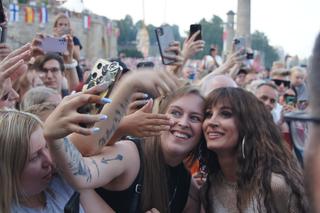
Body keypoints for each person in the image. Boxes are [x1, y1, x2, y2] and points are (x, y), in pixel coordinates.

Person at [43, 68, 204, 212]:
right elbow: (81, 174)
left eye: (195, 118)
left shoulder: (188, 187)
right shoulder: (130, 155)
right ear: (160, 113)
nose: (183, 123)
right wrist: (54, 137)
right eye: (176, 113)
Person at [200, 87, 308, 212]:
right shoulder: (209, 187)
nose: (211, 122)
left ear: (248, 125)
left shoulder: (276, 185)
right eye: (208, 114)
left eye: (226, 114)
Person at [0, 110, 115, 213]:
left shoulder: (63, 181)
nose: (49, 161)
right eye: (34, 157)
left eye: (47, 146)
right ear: (8, 170)